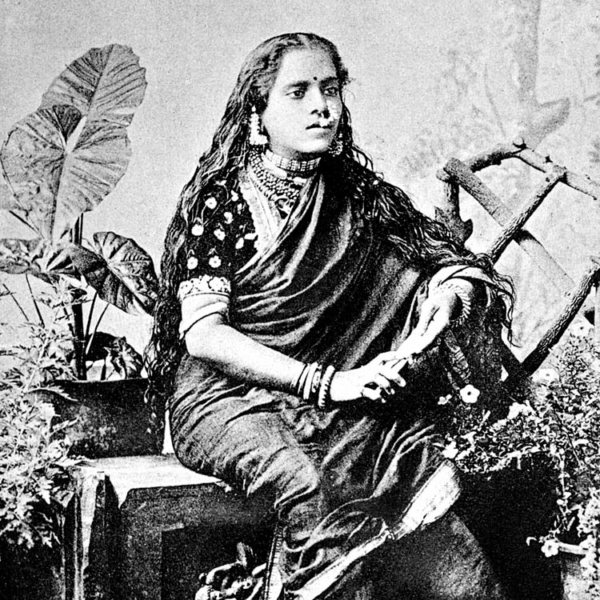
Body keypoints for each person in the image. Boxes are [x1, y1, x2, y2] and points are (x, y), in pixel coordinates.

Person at [147, 32, 514, 600]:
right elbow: (204, 336)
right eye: (298, 92)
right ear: (257, 112)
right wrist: (327, 382)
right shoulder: (222, 200)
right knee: (309, 481)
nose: (321, 106)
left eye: (331, 89)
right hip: (229, 397)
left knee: (417, 468)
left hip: (341, 397)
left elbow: (442, 262)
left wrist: (447, 293)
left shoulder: (357, 193)